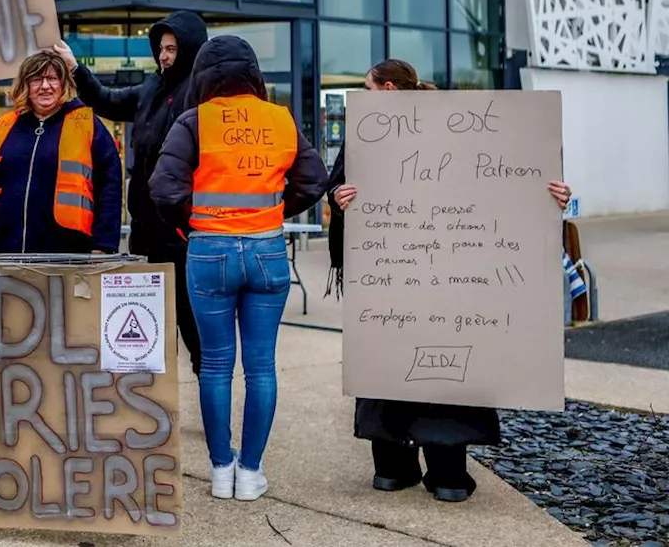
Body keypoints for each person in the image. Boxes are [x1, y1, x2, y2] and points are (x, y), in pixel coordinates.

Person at [327, 58, 573, 503]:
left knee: (399, 359)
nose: (361, 96)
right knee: (408, 367)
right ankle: (439, 474)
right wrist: (342, 198)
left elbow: (510, 181)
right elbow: (340, 187)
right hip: (419, 266)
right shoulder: (403, 130)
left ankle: (401, 469)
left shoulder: (404, 129)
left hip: (412, 266)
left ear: (386, 89)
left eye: (366, 86)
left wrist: (554, 196)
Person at [149, 35, 328, 502]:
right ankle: (251, 473)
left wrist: (195, 225)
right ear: (253, 73)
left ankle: (221, 468)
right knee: (261, 367)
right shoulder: (281, 119)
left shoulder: (194, 121)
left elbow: (164, 189)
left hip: (209, 250)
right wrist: (272, 210)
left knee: (215, 366)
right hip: (267, 251)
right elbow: (314, 180)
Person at [52, 10, 209, 375]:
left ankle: (208, 408)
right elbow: (106, 100)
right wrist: (76, 68)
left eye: (171, 48)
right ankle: (153, 406)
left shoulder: (201, 94)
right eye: (160, 48)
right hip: (145, 229)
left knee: (193, 327)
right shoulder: (152, 87)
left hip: (185, 232)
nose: (164, 56)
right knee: (148, 325)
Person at [0, 51, 123, 255]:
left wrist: (103, 245)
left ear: (63, 84)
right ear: (25, 86)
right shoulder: (4, 126)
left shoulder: (86, 123)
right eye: (36, 79)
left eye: (52, 79)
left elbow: (110, 186)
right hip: (4, 249)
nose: (45, 86)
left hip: (69, 252)